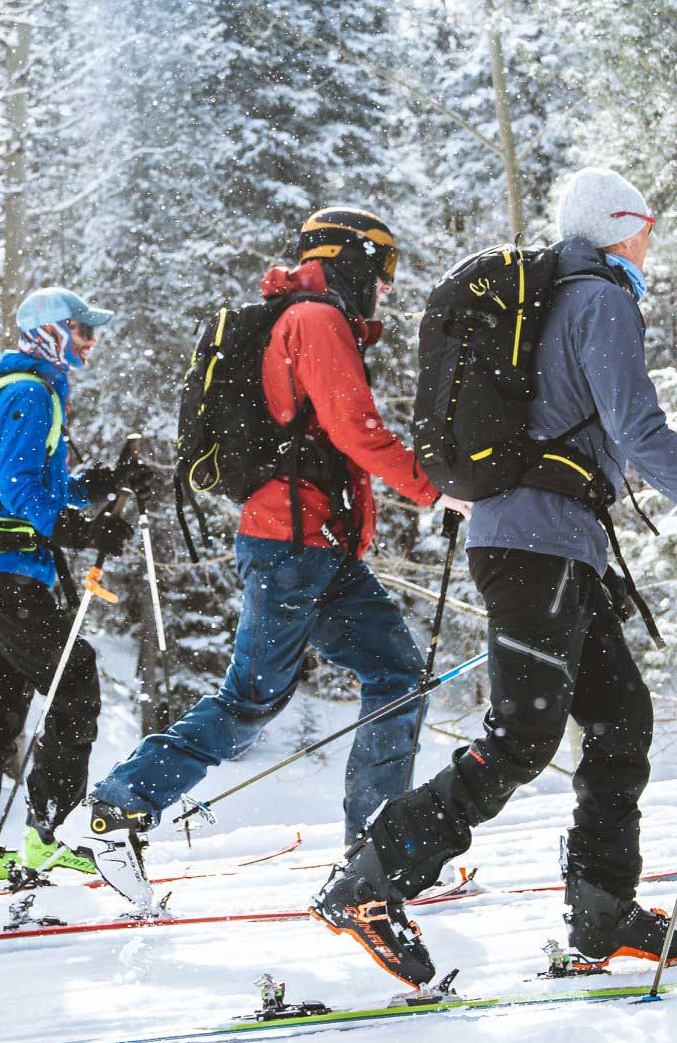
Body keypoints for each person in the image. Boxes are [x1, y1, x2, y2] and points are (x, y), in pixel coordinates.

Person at [311, 168, 677, 988]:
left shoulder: (562, 299)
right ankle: (370, 880)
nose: (649, 246)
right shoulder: (598, 297)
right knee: (522, 737)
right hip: (532, 545)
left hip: (551, 543)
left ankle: (601, 910)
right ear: (619, 228)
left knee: (620, 719)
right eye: (644, 230)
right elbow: (637, 429)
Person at [88, 208, 473, 852]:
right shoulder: (316, 321)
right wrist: (437, 490)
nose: (386, 287)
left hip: (317, 548)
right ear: (350, 260)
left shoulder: (312, 318)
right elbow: (357, 432)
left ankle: (375, 848)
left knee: (399, 675)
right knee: (252, 701)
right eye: (383, 271)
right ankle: (123, 804)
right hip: (290, 546)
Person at [0, 287, 154, 884]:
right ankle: (50, 834)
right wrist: (84, 530)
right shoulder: (32, 394)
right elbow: (23, 490)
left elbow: (28, 484)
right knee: (74, 677)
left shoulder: (15, 389)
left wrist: (95, 485)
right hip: (9, 578)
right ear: (51, 330)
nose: (90, 341)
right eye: (82, 329)